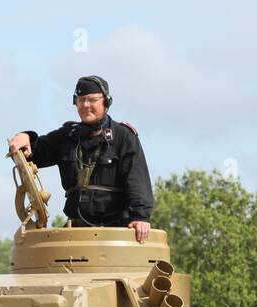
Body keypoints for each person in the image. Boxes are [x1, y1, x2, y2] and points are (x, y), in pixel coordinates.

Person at [8, 75, 154, 241]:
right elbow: (35, 152)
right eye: (80, 100)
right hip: (76, 231)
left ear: (106, 102)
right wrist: (25, 138)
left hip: (115, 230)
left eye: (92, 100)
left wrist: (141, 217)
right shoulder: (67, 136)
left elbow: (137, 178)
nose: (85, 105)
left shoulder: (123, 136)